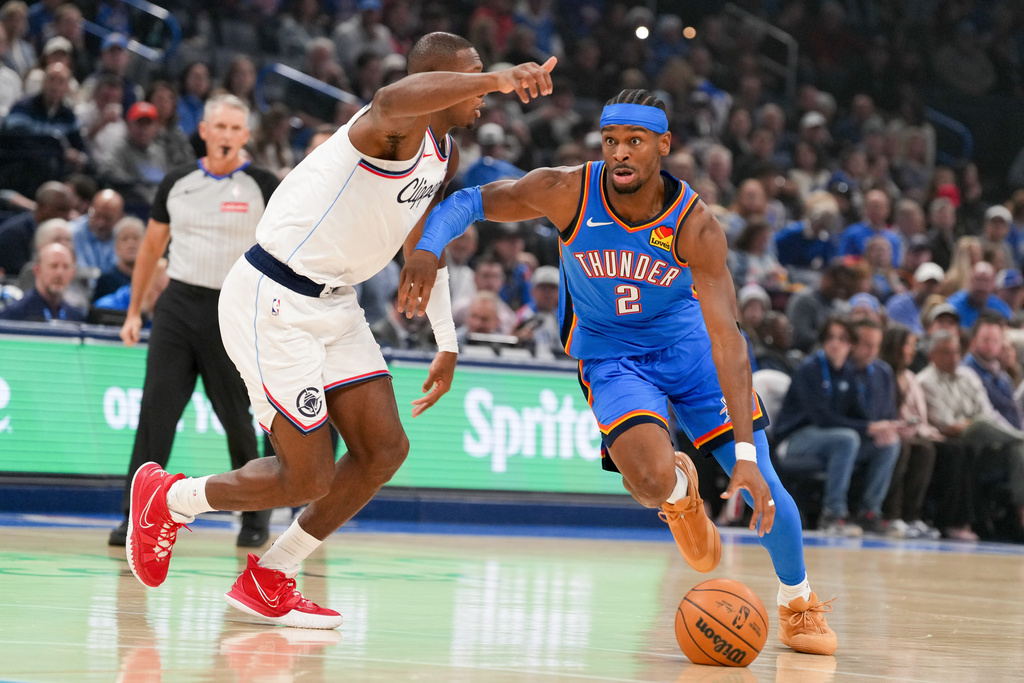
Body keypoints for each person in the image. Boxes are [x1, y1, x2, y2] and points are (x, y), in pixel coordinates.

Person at [123, 33, 557, 629]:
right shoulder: (388, 126)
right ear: (437, 80)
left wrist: (447, 341)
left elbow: (421, 250)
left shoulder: (444, 152)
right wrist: (498, 76)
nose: (483, 94)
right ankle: (169, 498)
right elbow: (392, 97)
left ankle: (270, 575)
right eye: (471, 77)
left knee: (385, 450)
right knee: (306, 475)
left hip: (336, 303)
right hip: (274, 295)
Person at [400, 89, 837, 655]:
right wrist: (427, 248)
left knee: (766, 490)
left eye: (635, 141)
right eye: (611, 141)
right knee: (649, 481)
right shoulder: (567, 191)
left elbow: (729, 340)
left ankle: (798, 602)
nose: (621, 153)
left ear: (664, 145)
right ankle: (679, 491)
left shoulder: (696, 225)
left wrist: (747, 457)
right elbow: (470, 203)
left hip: (692, 355)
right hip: (612, 357)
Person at [107, 94, 281, 550]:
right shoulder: (177, 182)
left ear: (246, 136)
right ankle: (134, 516)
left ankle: (255, 517)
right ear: (203, 131)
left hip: (233, 311)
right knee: (156, 414)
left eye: (235, 128)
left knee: (238, 419)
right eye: (219, 126)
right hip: (178, 307)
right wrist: (134, 311)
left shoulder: (264, 184)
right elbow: (151, 248)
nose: (226, 135)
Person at [0, 242, 85, 321]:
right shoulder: (15, 315)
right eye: (53, 266)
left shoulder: (75, 317)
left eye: (65, 267)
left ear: (73, 273)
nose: (60, 273)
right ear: (37, 270)